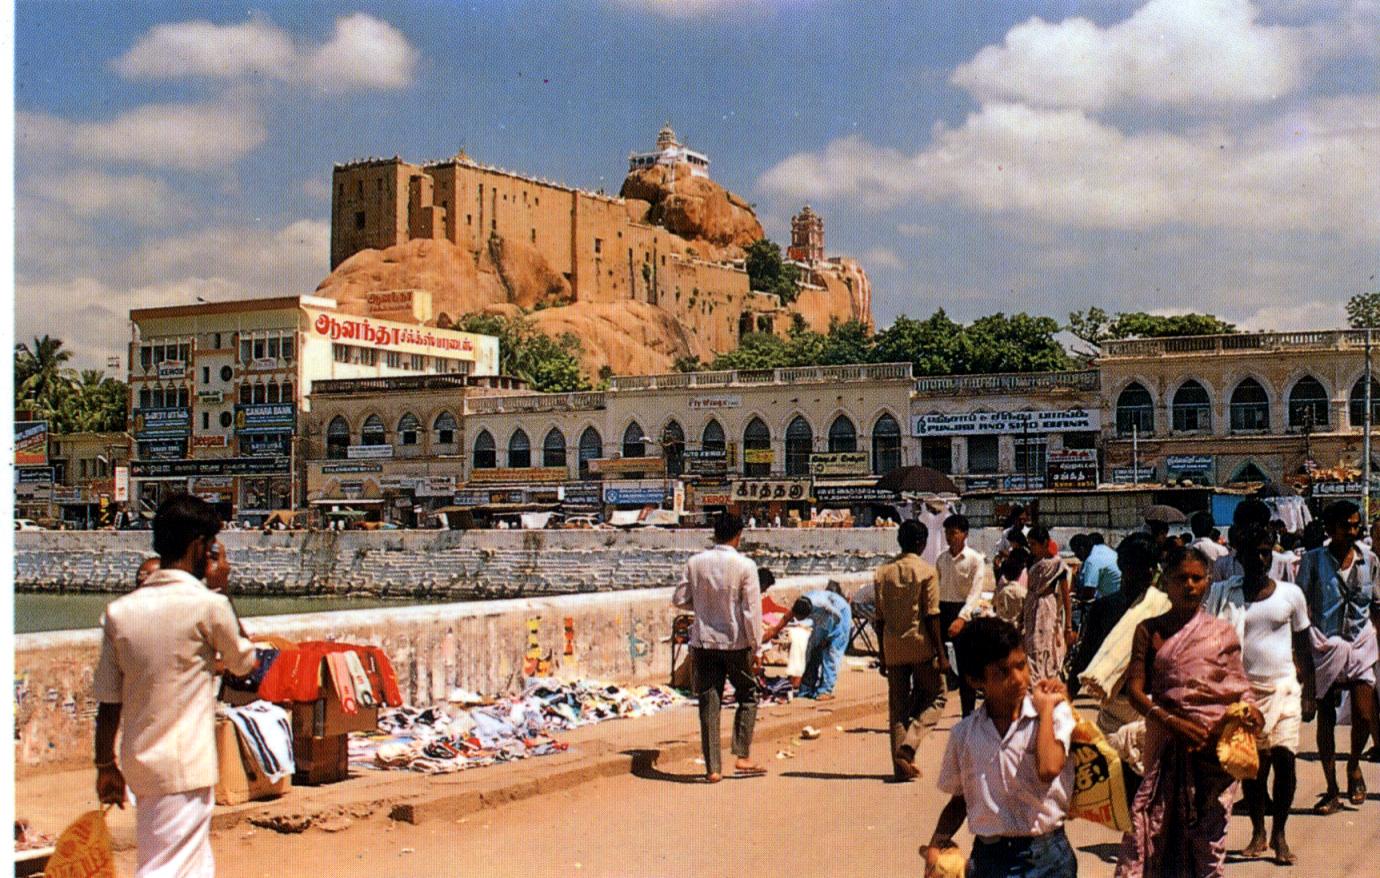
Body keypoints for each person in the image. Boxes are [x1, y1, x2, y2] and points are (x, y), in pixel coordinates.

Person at [93, 493, 257, 877]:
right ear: (199, 546)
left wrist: (105, 765)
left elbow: (108, 703)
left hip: (140, 761)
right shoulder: (206, 605)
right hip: (186, 764)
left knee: (192, 867)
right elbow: (243, 662)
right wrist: (222, 589)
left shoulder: (119, 613)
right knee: (166, 868)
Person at [1116, 546, 1262, 878]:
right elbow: (1135, 691)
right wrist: (1169, 721)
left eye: (1198, 578)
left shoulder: (1221, 632)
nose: (1190, 585)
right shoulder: (1149, 630)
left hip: (1212, 750)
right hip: (1166, 743)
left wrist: (1249, 711)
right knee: (1152, 831)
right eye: (1182, 578)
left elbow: (1239, 684)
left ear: (1208, 582)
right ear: (1165, 581)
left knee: (1208, 839)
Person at [923, 617, 1077, 878]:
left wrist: (1047, 709)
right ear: (975, 680)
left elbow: (1049, 767)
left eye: (1021, 665)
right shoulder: (965, 735)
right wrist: (936, 843)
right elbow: (961, 799)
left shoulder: (1052, 713)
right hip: (989, 859)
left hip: (1047, 855)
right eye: (1002, 672)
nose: (1018, 679)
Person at [1203, 521, 1312, 865]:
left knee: (1285, 760)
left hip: (1284, 690)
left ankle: (1279, 834)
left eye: (1266, 552)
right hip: (1242, 697)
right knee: (1251, 768)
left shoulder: (1290, 595)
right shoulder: (1224, 594)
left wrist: (1310, 691)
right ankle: (1257, 832)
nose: (1260, 559)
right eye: (1253, 553)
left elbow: (1303, 644)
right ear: (1240, 556)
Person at [1294, 499, 1380, 813]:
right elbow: (1300, 610)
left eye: (1357, 525)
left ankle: (1354, 765)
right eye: (1348, 526)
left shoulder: (1368, 560)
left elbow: (1376, 605)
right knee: (1326, 719)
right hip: (1324, 644)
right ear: (1331, 529)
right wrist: (1301, 660)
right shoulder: (1312, 561)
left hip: (1360, 642)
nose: (1354, 531)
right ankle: (1331, 789)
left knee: (1364, 713)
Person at [671, 513, 765, 783]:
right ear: (738, 536)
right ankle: (742, 753)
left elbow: (679, 599)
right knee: (747, 694)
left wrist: (701, 606)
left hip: (704, 641)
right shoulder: (745, 566)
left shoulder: (695, 562)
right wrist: (756, 646)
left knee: (709, 702)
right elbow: (751, 611)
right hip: (736, 642)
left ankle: (713, 767)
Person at [873, 520, 947, 780]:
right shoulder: (926, 572)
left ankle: (900, 767)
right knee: (937, 696)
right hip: (920, 645)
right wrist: (941, 653)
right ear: (922, 543)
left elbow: (878, 619)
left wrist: (881, 654)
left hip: (892, 647)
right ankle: (910, 744)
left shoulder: (882, 573)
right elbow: (932, 615)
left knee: (898, 708)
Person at [937, 514, 994, 716]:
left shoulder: (975, 560)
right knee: (936, 663)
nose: (949, 537)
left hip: (964, 614)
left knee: (966, 669)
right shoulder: (942, 559)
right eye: (947, 533)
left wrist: (962, 618)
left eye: (953, 533)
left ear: (964, 534)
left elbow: (974, 593)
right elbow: (937, 588)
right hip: (943, 610)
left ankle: (967, 714)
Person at [766, 590, 851, 700]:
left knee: (830, 652)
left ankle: (826, 690)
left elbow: (836, 618)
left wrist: (828, 636)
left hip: (839, 616)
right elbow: (786, 617)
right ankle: (806, 687)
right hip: (822, 620)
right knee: (812, 649)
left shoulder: (823, 606)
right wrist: (775, 630)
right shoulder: (800, 603)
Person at [1022, 526, 1074, 682]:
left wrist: (1068, 626)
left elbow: (1066, 597)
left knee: (1046, 645)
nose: (1031, 548)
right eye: (1029, 544)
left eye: (1034, 544)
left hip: (1047, 608)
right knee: (1031, 645)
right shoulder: (1031, 561)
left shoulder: (1058, 565)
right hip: (1031, 607)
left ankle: (1046, 681)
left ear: (1044, 543)